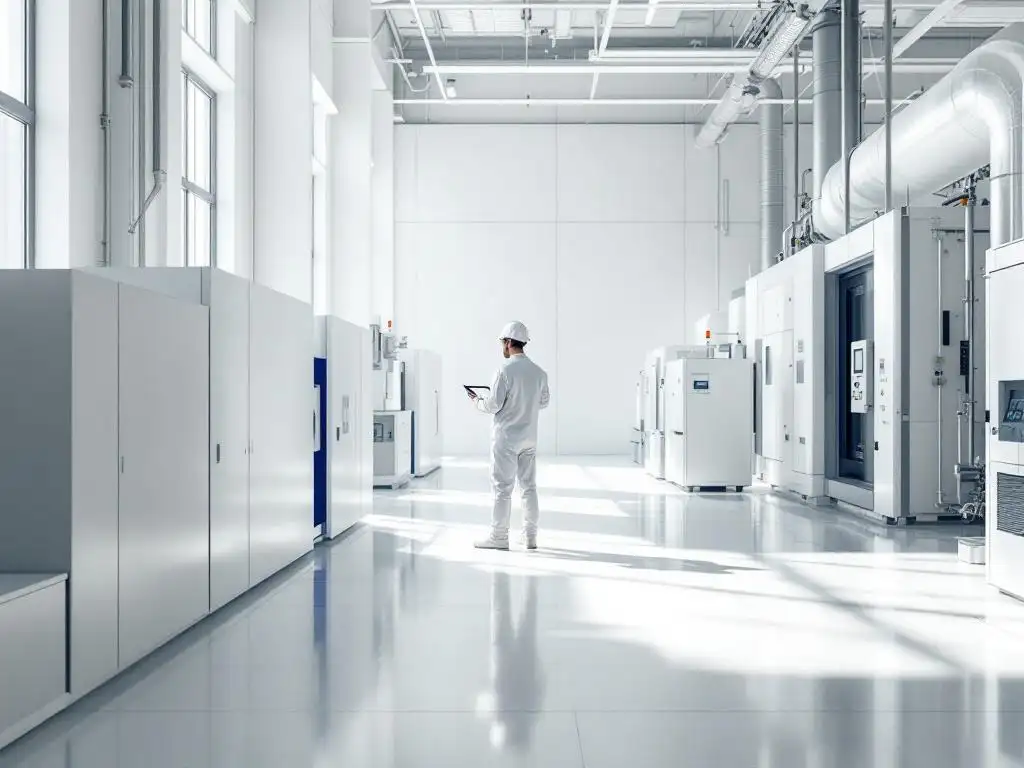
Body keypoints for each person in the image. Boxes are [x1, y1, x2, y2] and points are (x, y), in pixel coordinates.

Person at [467, 321, 550, 551]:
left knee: (502, 488)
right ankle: (530, 536)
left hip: (506, 439)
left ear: (509, 342)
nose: (502, 346)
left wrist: (477, 401)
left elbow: (494, 404)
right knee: (528, 487)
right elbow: (543, 402)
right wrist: (525, 403)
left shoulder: (503, 371)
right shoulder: (540, 373)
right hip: (529, 438)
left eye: (503, 342)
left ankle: (499, 537)